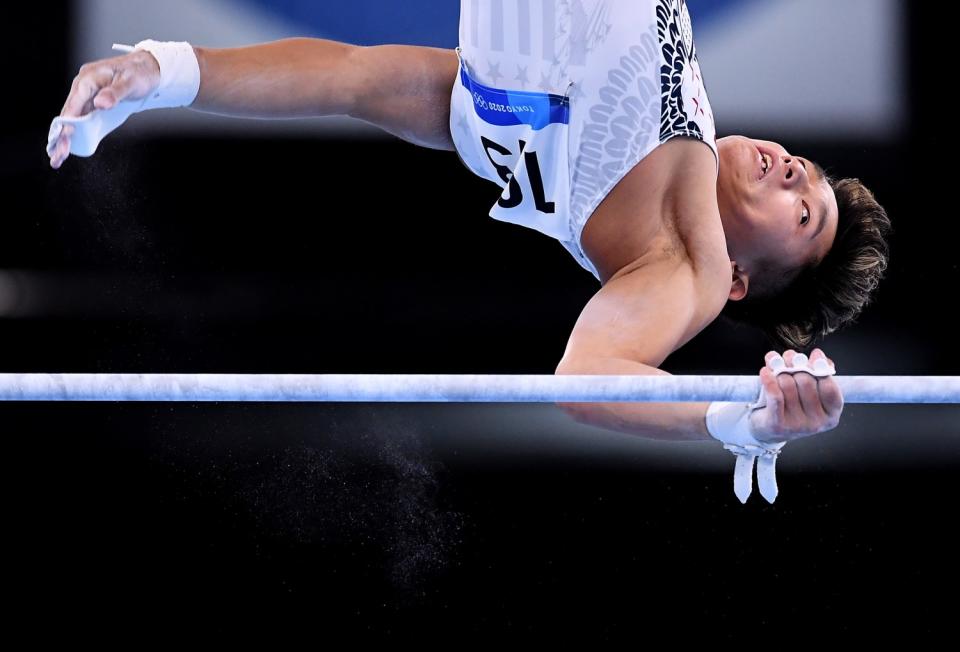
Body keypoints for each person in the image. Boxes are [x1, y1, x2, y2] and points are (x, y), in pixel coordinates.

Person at [46, 0, 892, 503]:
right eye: (805, 170)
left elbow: (590, 377)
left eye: (802, 210)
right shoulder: (534, 143)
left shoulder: (690, 259)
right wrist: (168, 70)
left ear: (740, 280)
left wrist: (726, 418)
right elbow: (342, 71)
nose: (790, 169)